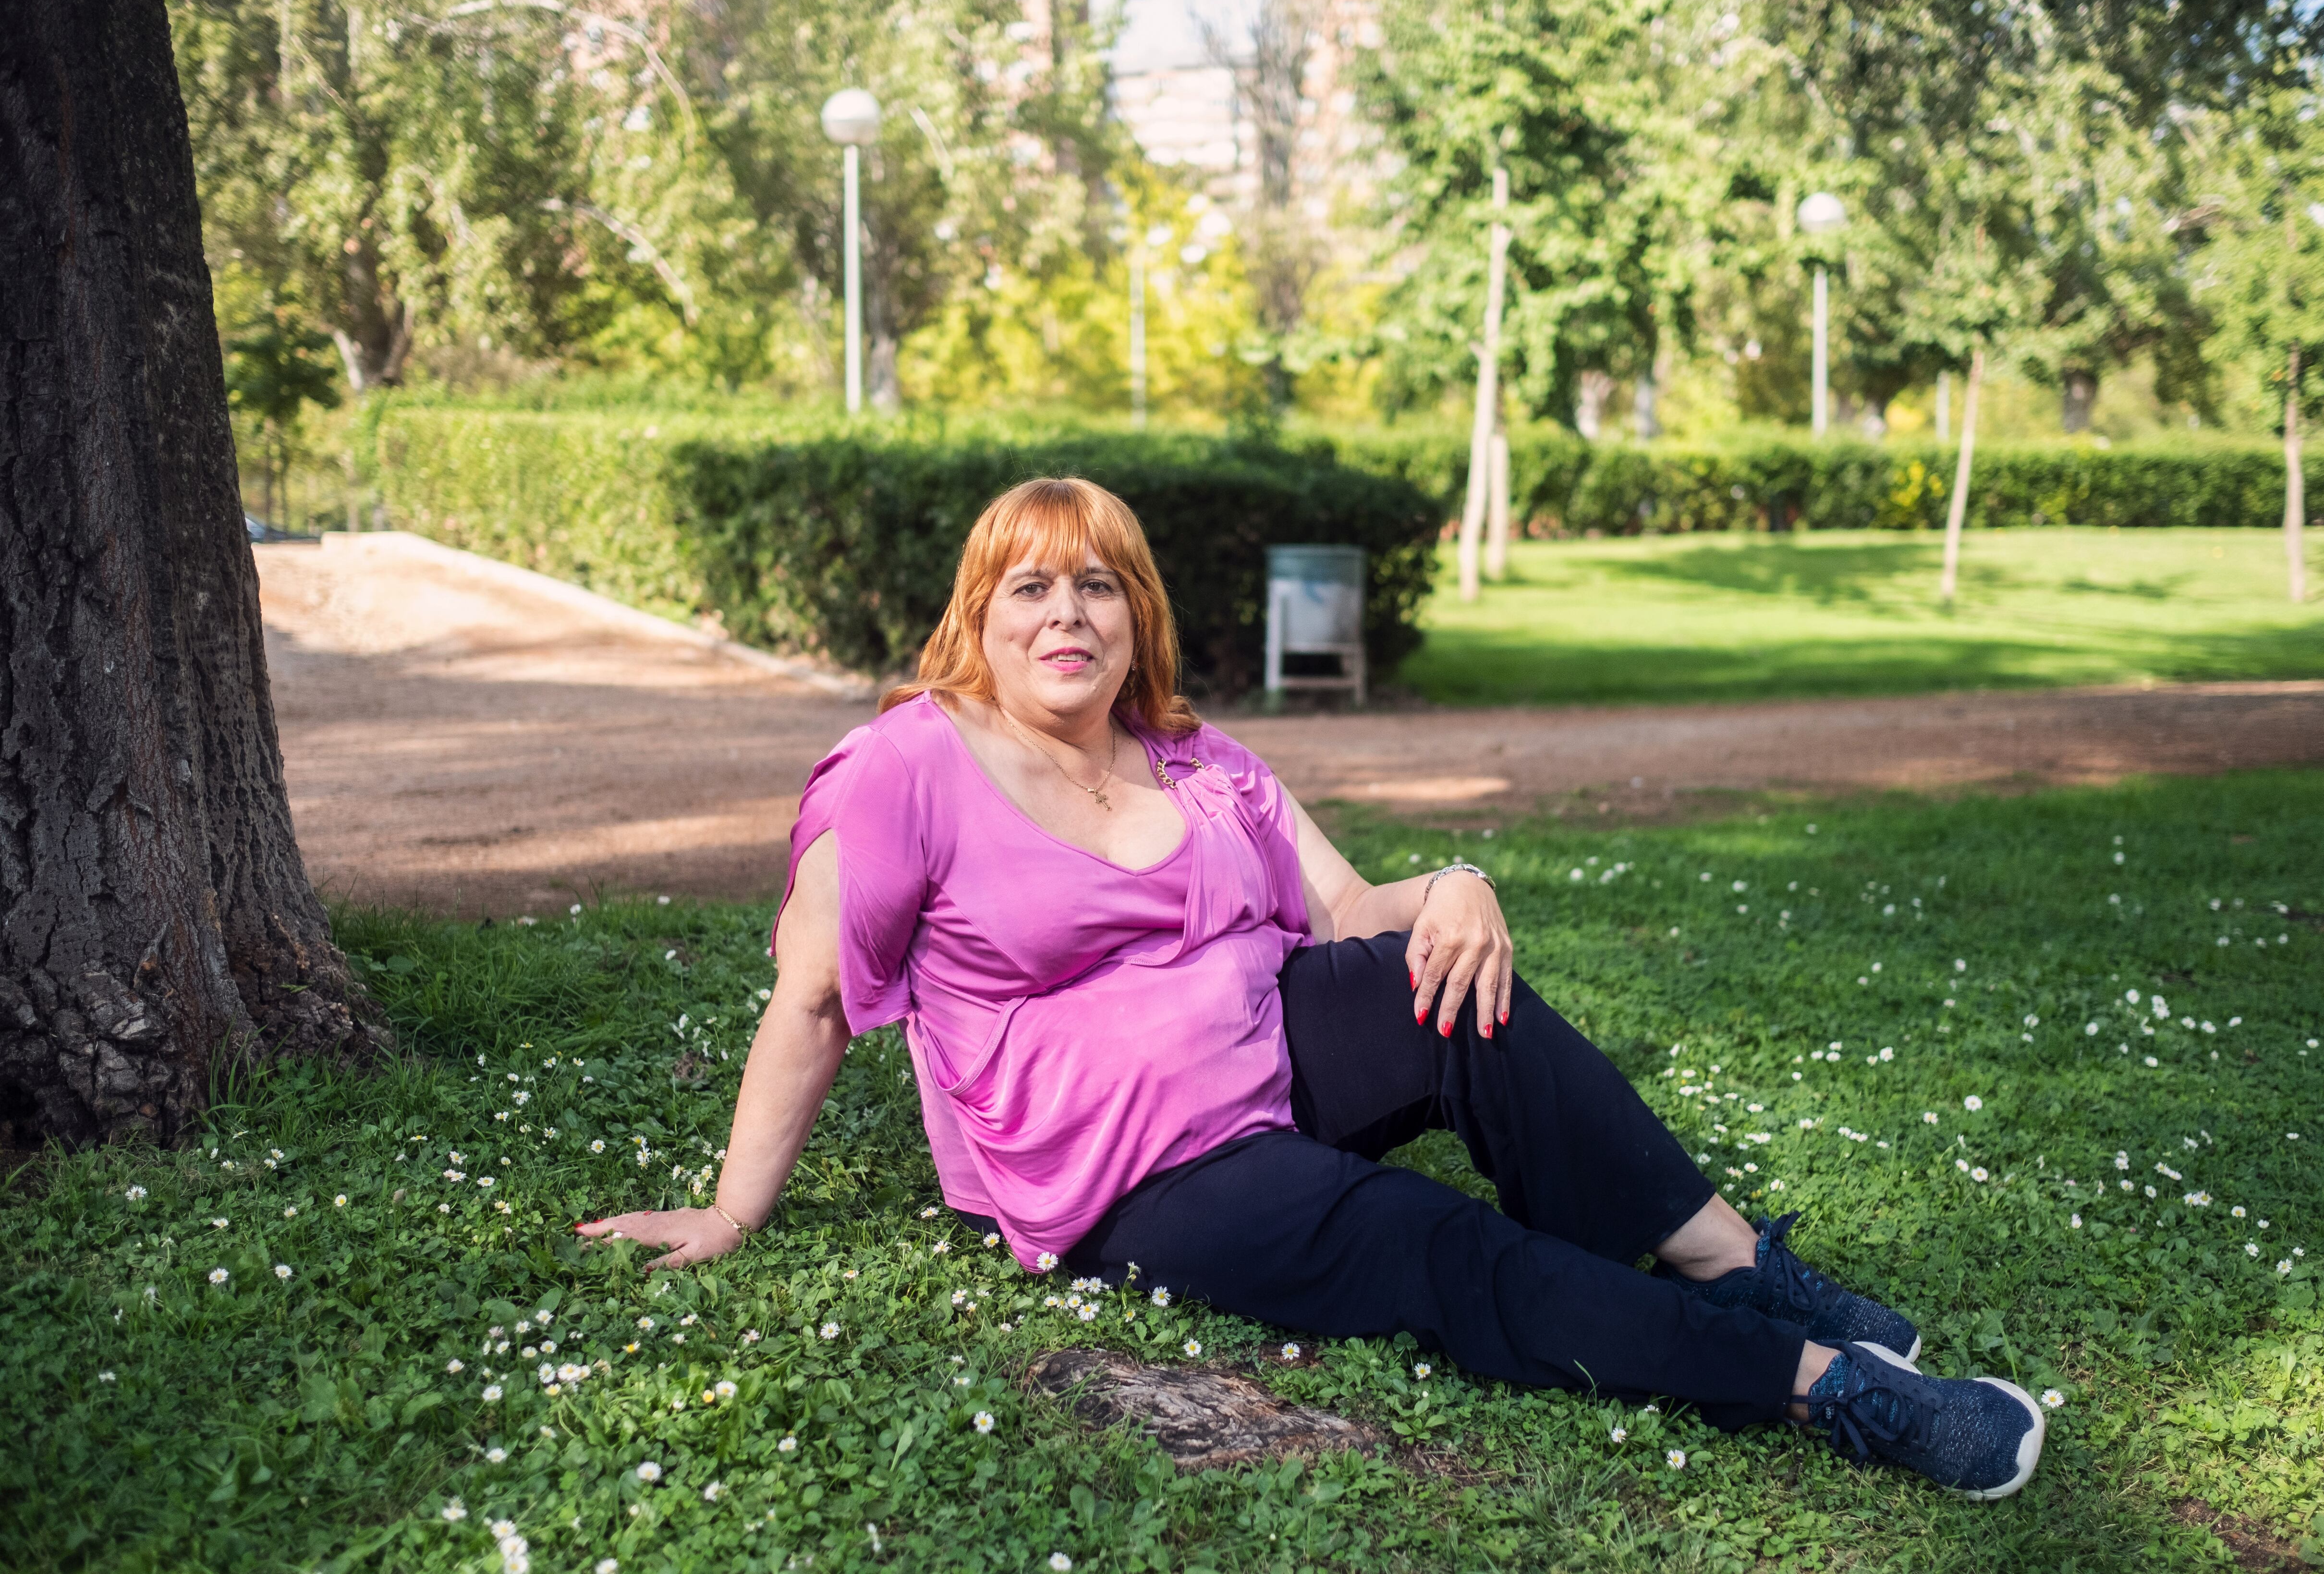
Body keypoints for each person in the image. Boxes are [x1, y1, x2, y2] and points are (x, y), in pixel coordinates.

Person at [578, 478, 2046, 1500]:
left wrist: (1456, 885)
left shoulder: (1201, 761)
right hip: (1130, 1169)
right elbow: (818, 1001)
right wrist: (734, 1209)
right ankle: (1819, 1384)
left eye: (1099, 584)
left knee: (1464, 999)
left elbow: (1347, 912)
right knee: (1433, 1251)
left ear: (1139, 612)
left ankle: (1736, 1261)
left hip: (1266, 1045)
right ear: (982, 615)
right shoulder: (909, 766)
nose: (1067, 613)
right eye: (1031, 587)